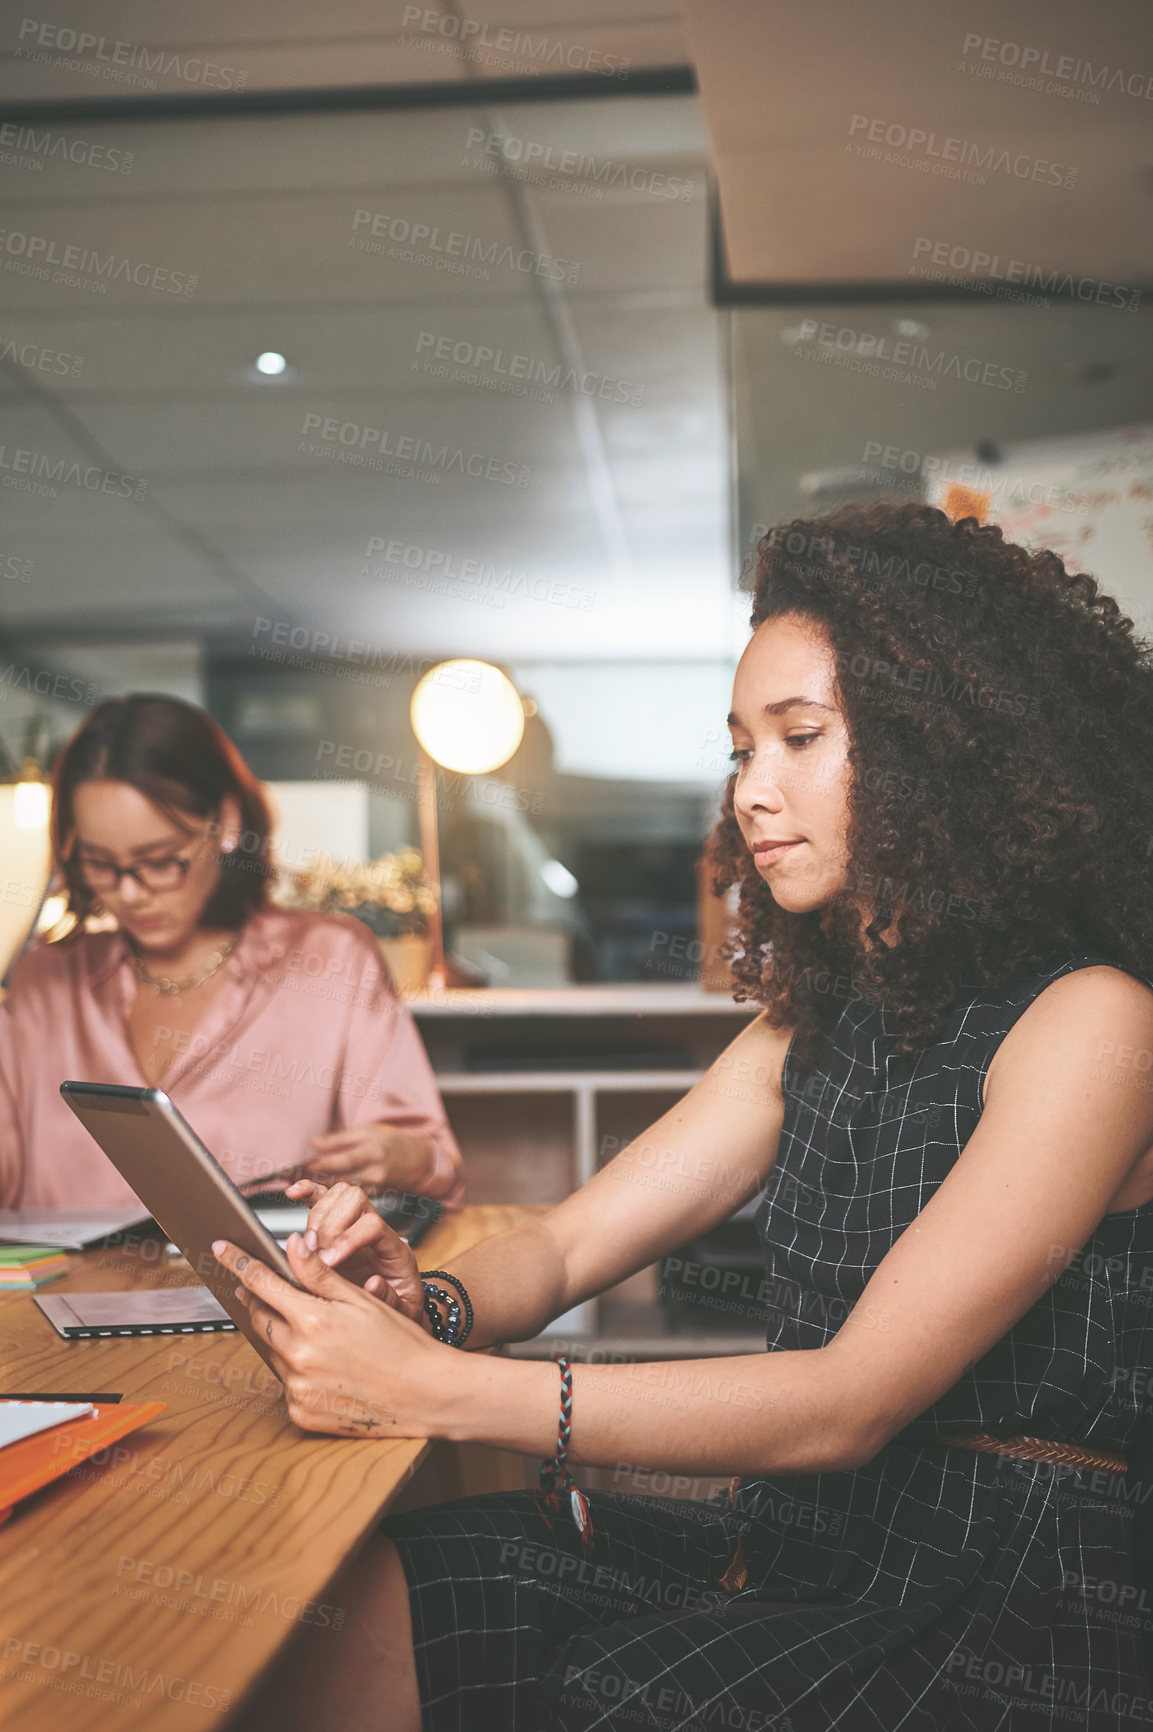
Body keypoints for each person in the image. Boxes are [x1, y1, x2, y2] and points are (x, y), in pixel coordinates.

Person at [219, 500, 1153, 1731]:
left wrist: (435, 1390)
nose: (751, 795)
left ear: (946, 752)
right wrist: (423, 1305)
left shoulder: (1093, 1023)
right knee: (411, 1579)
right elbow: (564, 1244)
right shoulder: (815, 1020)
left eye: (799, 738)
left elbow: (846, 1402)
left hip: (993, 1608)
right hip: (804, 1549)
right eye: (738, 750)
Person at [0, 694, 464, 1212]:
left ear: (225, 822)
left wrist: (408, 1160)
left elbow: (435, 1169)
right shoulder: (46, 983)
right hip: (49, 1295)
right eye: (100, 864)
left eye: (159, 861)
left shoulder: (331, 961)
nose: (129, 893)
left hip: (267, 1292)